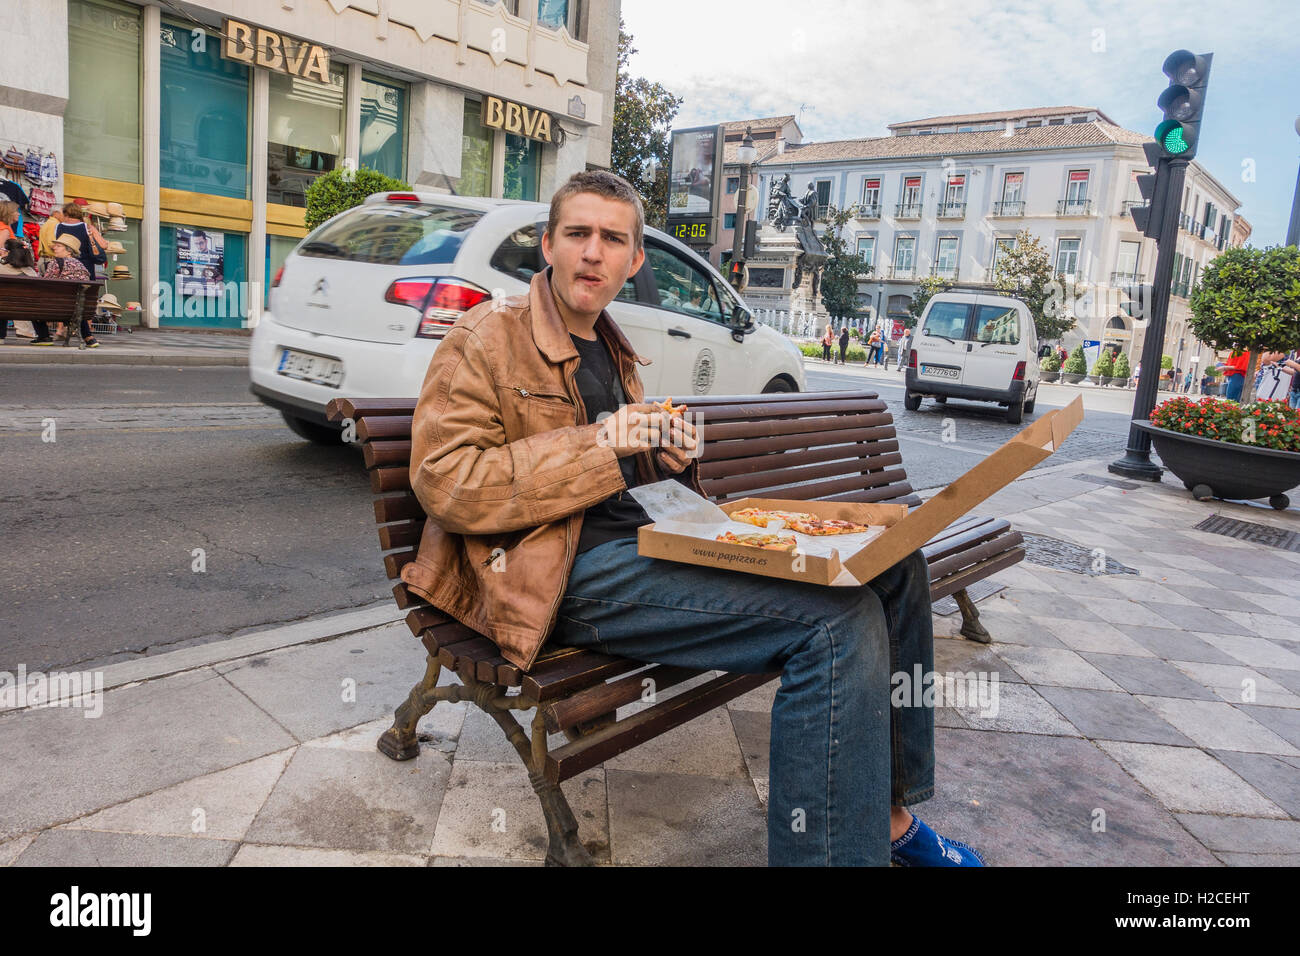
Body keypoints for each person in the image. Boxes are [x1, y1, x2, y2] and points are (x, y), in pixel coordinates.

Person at [404, 169, 983, 867]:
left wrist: (665, 459)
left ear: (634, 260)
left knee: (895, 564)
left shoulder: (612, 347)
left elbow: (614, 477)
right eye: (578, 234)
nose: (594, 252)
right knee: (836, 623)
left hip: (641, 544)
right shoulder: (484, 336)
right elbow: (447, 483)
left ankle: (888, 818)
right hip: (551, 575)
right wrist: (601, 444)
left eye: (612, 239)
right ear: (548, 246)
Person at [32, 234, 99, 347]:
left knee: (33, 305)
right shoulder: (82, 266)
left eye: (58, 246)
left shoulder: (55, 263)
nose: (54, 248)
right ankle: (88, 337)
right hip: (77, 308)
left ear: (69, 251)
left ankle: (44, 336)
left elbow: (45, 284)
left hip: (56, 308)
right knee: (77, 305)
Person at [1, 237, 40, 343]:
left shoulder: (2, 268)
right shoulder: (31, 272)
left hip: (5, 307)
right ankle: (26, 330)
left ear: (8, 253)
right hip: (29, 307)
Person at [55, 202, 109, 278]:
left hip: (64, 269)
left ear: (65, 214)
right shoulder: (87, 227)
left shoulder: (58, 227)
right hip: (85, 269)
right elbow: (104, 245)